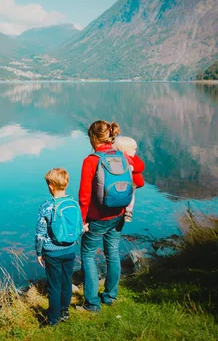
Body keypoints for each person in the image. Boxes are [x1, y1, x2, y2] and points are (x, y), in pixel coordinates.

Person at [78, 120, 144, 312]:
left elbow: (84, 196)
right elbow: (139, 181)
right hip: (119, 215)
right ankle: (110, 296)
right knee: (112, 254)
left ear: (93, 137)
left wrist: (82, 222)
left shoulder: (91, 160)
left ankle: (92, 304)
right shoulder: (123, 156)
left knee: (88, 255)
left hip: (97, 218)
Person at [35, 168, 79, 325]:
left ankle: (53, 319)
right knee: (66, 281)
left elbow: (40, 233)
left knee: (54, 286)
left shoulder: (46, 206)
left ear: (51, 186)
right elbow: (78, 227)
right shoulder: (73, 203)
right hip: (70, 250)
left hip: (53, 253)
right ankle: (64, 311)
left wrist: (39, 252)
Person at [112, 136, 145, 222]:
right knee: (128, 196)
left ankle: (129, 212)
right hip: (125, 184)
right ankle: (126, 211)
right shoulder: (118, 159)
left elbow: (141, 166)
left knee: (131, 197)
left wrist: (133, 167)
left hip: (132, 184)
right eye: (133, 149)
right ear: (125, 150)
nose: (135, 151)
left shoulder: (135, 159)